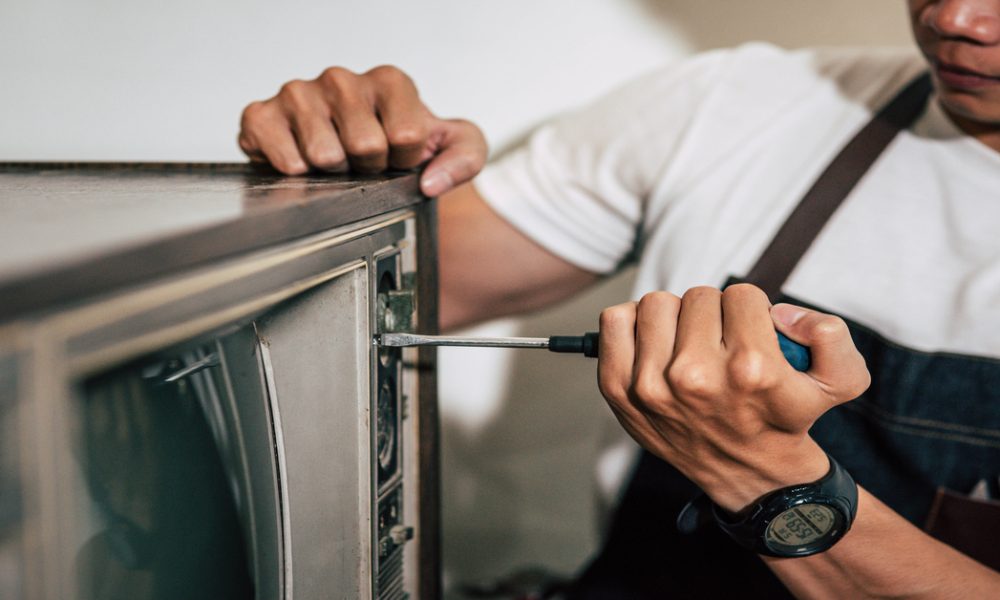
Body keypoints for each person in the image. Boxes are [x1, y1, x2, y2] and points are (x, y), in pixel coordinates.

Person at [238, 0, 1000, 597]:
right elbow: (353, 308)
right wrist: (347, 178)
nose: (953, 19)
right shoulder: (735, 106)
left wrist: (767, 480)